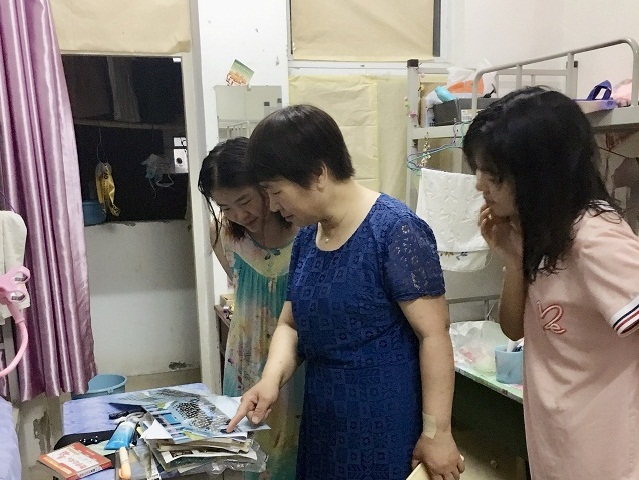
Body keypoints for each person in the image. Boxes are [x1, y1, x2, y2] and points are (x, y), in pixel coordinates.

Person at [226, 105, 464, 480]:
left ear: (318, 174)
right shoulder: (307, 237)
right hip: (323, 418)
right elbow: (291, 324)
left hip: (382, 422)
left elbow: (434, 334)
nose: (272, 205)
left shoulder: (395, 231)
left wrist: (438, 433)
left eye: (276, 191)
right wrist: (270, 381)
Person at [463, 86, 639, 479]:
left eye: (492, 173)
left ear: (537, 174)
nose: (479, 185)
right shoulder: (542, 232)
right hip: (559, 448)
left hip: (608, 461)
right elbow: (516, 328)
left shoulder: (595, 239)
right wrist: (513, 258)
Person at [198, 137, 304, 479]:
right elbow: (241, 287)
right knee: (249, 456)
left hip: (294, 363)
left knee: (292, 455)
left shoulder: (305, 233)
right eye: (225, 207)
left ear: (266, 186)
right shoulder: (223, 234)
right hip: (244, 359)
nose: (238, 215)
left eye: (244, 201)